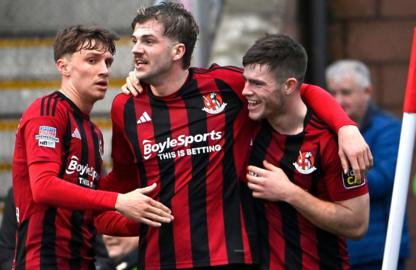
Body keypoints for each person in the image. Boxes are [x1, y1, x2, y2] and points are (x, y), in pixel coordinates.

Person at [111, 2, 372, 269]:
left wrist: (345, 126)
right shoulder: (126, 105)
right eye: (134, 40)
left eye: (148, 41)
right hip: (160, 260)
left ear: (178, 51)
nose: (135, 49)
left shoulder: (224, 86)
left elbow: (299, 90)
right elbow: (121, 181)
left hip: (229, 259)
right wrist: (124, 223)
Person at [11, 25, 173, 270]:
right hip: (43, 262)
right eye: (92, 60)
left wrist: (150, 219)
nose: (104, 70)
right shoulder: (47, 111)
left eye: (107, 62)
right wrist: (119, 200)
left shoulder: (94, 132)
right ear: (63, 67)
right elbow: (43, 187)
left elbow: (94, 216)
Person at [243, 34, 370, 269]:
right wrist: (346, 124)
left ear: (289, 86)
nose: (245, 91)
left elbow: (357, 224)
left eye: (258, 84)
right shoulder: (247, 120)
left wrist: (290, 192)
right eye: (246, 80)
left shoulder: (333, 142)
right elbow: (310, 89)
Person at [326, 59, 411, 270]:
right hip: (336, 250)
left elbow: (383, 180)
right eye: (333, 93)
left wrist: (332, 175)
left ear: (367, 91)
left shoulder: (389, 129)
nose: (339, 100)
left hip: (378, 251)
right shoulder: (326, 128)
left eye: (346, 92)